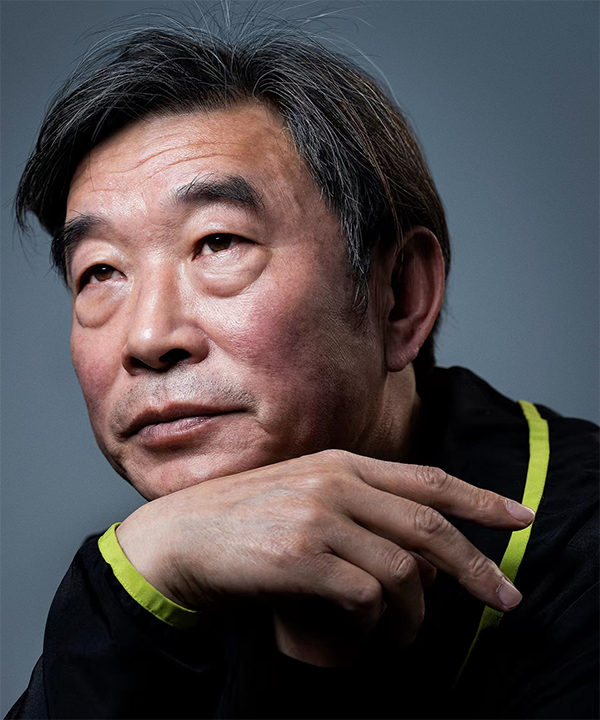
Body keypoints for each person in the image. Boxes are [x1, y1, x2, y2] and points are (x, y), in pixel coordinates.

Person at [7, 15, 598, 720]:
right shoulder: (153, 569)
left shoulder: (581, 551)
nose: (148, 337)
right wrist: (137, 577)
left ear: (399, 296)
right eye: (100, 271)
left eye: (218, 242)